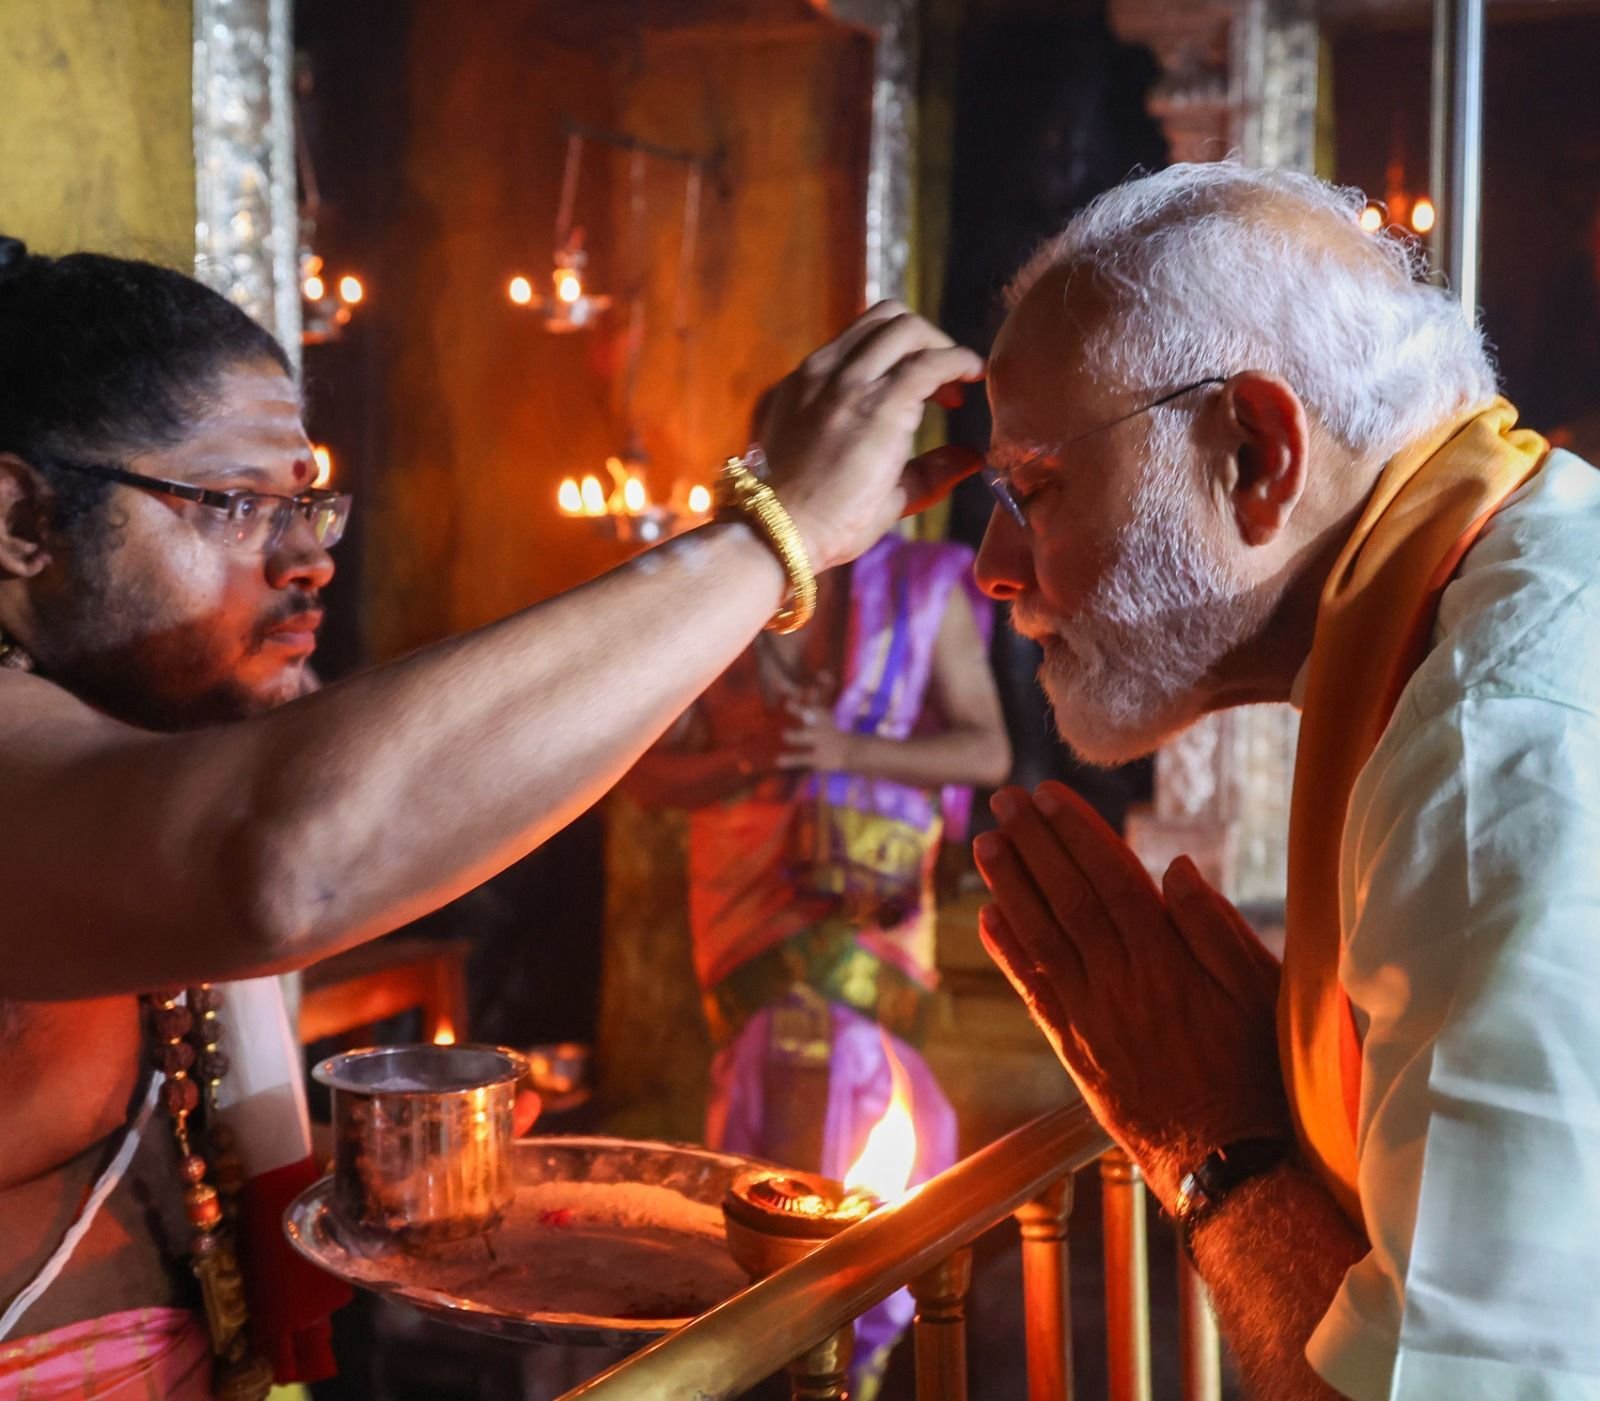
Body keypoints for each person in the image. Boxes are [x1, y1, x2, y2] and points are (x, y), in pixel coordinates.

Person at [0, 235, 981, 1399]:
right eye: (231, 504)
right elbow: (281, 865)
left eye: (308, 505)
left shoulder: (154, 741)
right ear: (22, 523)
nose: (308, 559)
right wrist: (772, 540)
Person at [965, 162, 1600, 1399]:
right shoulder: (1500, 590)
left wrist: (1215, 1144)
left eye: (1032, 488)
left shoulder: (1491, 746)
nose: (992, 566)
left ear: (1253, 451)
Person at [626, 525, 1009, 1393]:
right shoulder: (723, 594)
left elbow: (986, 750)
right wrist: (753, 752)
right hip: (746, 916)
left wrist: (841, 751)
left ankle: (853, 1359)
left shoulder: (919, 585)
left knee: (868, 1102)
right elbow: (641, 769)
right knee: (756, 1137)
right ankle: (780, 1357)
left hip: (872, 921)